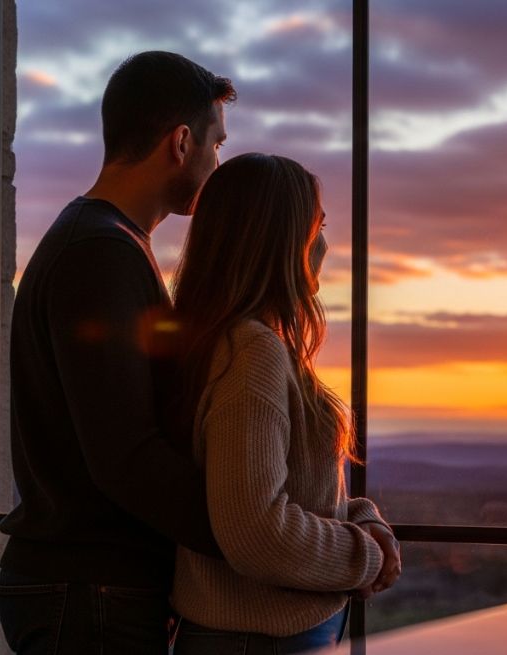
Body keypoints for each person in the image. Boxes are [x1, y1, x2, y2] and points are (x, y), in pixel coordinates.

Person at [0, 51, 236, 654]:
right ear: (181, 142)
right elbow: (125, 454)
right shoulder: (98, 254)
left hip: (90, 588)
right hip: (90, 593)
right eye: (217, 145)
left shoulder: (105, 242)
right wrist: (246, 531)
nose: (217, 163)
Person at [168, 153, 402, 653]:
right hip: (257, 640)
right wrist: (365, 555)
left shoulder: (241, 343)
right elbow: (256, 530)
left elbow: (276, 488)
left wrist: (360, 516)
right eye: (317, 227)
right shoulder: (251, 353)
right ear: (283, 240)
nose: (324, 244)